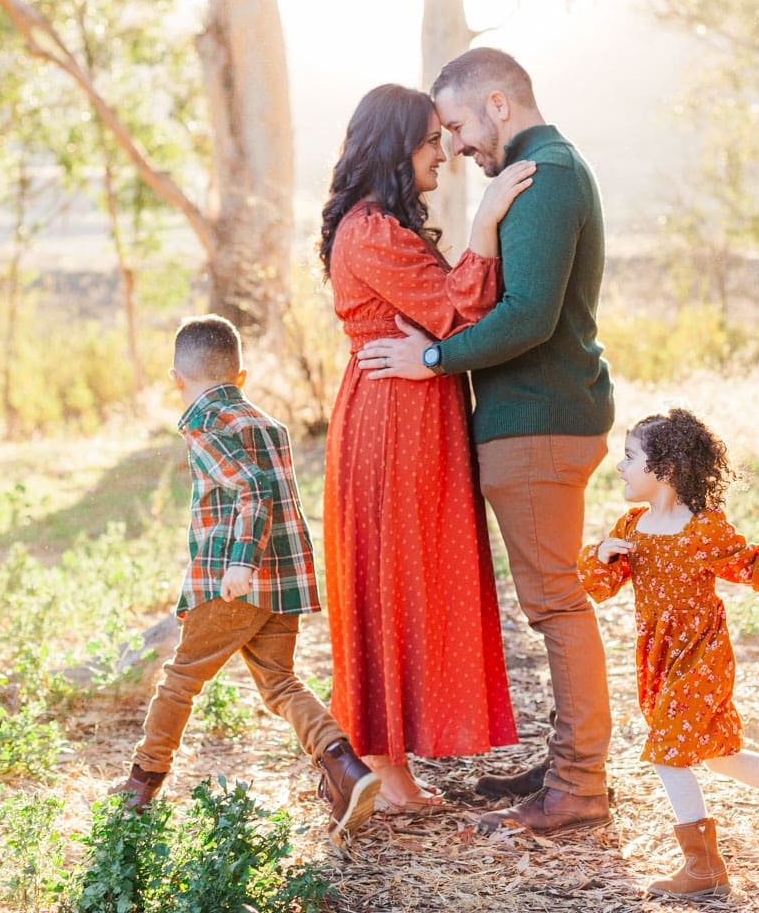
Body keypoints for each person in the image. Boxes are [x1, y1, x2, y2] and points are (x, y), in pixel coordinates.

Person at [357, 48, 616, 834]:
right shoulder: (540, 171)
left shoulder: (543, 176)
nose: (459, 144)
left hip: (539, 422)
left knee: (556, 608)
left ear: (499, 104)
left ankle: (577, 788)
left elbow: (528, 316)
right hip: (533, 420)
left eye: (462, 124)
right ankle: (568, 764)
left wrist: (431, 356)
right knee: (553, 602)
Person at [319, 84, 536, 809]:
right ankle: (386, 773)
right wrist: (486, 219)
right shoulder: (373, 229)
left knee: (408, 580)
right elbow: (457, 310)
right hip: (394, 421)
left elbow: (446, 319)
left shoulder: (378, 225)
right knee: (393, 581)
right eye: (427, 140)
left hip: (409, 412)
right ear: (394, 148)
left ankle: (392, 768)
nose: (443, 151)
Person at [114, 315, 378, 845]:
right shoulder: (267, 424)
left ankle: (139, 791)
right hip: (281, 584)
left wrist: (239, 562)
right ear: (242, 376)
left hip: (232, 582)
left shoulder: (201, 422)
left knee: (180, 679)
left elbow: (252, 490)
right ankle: (346, 768)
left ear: (176, 378)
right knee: (281, 684)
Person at [579, 409, 759, 898]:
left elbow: (748, 561)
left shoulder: (704, 529)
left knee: (668, 753)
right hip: (658, 660)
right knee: (719, 756)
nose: (620, 467)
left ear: (667, 471)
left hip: (701, 657)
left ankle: (703, 868)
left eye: (630, 457)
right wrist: (601, 555)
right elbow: (601, 586)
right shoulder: (632, 527)